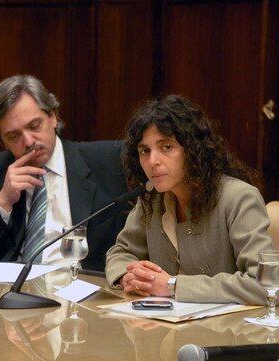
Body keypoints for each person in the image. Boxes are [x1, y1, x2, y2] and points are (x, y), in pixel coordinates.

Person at [105, 94, 273, 304]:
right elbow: (121, 252)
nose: (152, 161)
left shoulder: (239, 197)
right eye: (144, 151)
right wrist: (128, 276)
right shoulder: (152, 198)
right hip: (163, 325)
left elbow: (266, 284)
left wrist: (172, 286)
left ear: (193, 150)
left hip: (226, 330)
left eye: (166, 147)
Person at [0, 75, 129, 271]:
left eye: (34, 126)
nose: (29, 141)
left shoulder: (107, 160)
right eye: (14, 136)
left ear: (53, 117)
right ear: (2, 142)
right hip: (15, 289)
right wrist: (3, 203)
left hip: (83, 287)